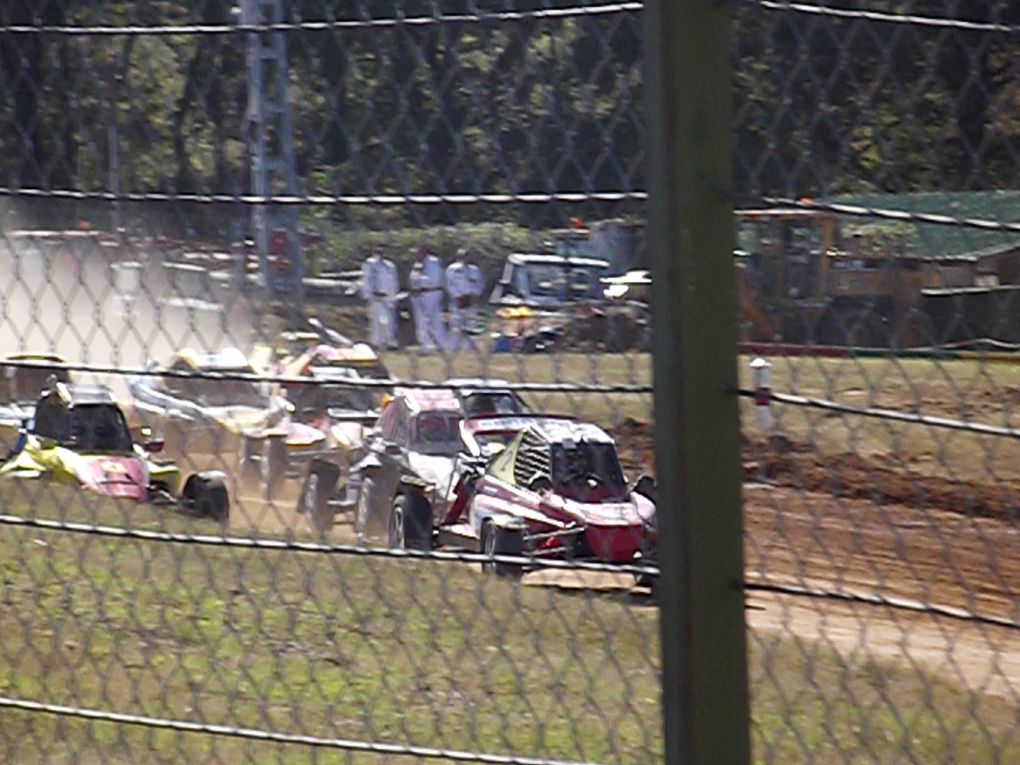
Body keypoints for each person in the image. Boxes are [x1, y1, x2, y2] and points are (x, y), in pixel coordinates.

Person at [444, 247, 485, 352]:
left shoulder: (475, 270)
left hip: (471, 301)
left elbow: (479, 284)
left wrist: (475, 296)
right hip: (458, 301)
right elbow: (449, 284)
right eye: (463, 256)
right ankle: (452, 347)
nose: (465, 258)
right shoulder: (452, 269)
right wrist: (457, 296)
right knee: (456, 325)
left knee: (470, 325)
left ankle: (469, 347)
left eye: (467, 256)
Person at [359, 246, 400, 349]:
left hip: (388, 296)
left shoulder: (390, 266)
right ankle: (376, 342)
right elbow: (366, 279)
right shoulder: (370, 264)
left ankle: (390, 342)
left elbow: (394, 282)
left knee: (389, 320)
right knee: (376, 320)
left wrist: (393, 296)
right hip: (375, 296)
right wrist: (367, 295)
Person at [408, 244, 446, 352]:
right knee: (421, 320)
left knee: (434, 319)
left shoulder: (432, 262)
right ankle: (425, 344)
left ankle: (440, 343)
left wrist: (418, 279)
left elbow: (434, 280)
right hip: (419, 294)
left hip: (431, 293)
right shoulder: (418, 264)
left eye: (417, 253)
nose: (415, 255)